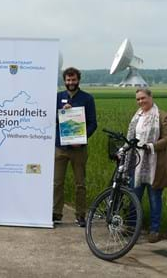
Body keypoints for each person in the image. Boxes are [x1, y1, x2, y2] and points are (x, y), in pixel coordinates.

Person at [126, 88, 167, 243]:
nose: (141, 101)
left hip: (155, 164)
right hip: (137, 163)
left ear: (151, 97)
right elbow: (132, 136)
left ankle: (154, 230)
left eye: (143, 98)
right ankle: (131, 226)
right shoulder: (137, 116)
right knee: (134, 195)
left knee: (154, 197)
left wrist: (151, 146)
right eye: (138, 99)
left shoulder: (162, 116)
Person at [53, 67, 97, 227]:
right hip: (60, 147)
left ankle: (80, 215)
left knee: (80, 184)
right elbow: (51, 120)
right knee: (57, 182)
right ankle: (56, 213)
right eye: (68, 80)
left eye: (73, 80)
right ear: (64, 81)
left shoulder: (87, 98)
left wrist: (83, 138)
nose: (71, 83)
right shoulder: (58, 97)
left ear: (78, 80)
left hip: (79, 148)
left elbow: (93, 123)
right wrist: (61, 113)